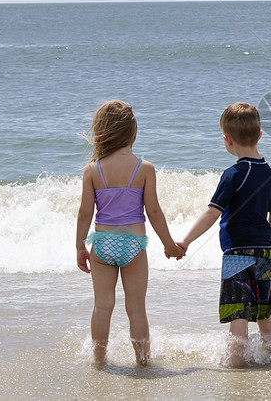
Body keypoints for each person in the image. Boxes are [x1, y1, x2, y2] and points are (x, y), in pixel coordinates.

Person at [75, 99, 185, 365]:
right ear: (132, 132)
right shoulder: (144, 169)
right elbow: (154, 211)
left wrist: (80, 246)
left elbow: (84, 212)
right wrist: (170, 244)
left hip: (102, 244)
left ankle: (99, 359)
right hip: (134, 244)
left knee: (102, 306)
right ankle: (143, 361)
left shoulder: (92, 170)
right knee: (136, 309)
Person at [177, 102, 271, 367]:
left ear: (227, 139)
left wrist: (185, 241)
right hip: (264, 251)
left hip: (237, 254)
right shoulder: (270, 173)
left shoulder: (232, 174)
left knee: (239, 312)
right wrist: (270, 243)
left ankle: (235, 366)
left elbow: (212, 214)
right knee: (263, 308)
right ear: (259, 135)